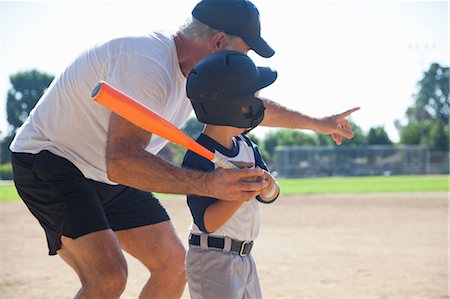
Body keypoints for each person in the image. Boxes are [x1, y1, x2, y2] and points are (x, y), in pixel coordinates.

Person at [9, 0, 358, 298]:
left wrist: (318, 122)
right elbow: (123, 163)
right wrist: (209, 185)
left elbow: (244, 103)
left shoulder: (198, 75)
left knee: (175, 266)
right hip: (52, 163)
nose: (247, 65)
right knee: (108, 277)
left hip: (105, 173)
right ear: (219, 42)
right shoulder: (147, 65)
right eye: (245, 53)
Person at [182, 50, 280, 299]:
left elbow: (270, 194)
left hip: (245, 258)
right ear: (235, 107)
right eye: (254, 98)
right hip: (212, 258)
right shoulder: (198, 156)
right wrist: (240, 192)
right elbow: (207, 222)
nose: (260, 103)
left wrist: (266, 185)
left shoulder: (247, 147)